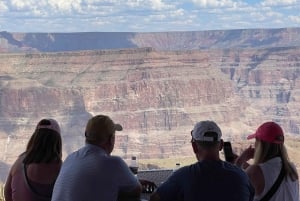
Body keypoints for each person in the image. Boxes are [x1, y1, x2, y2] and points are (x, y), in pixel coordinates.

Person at [150, 120, 254, 201]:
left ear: (194, 147)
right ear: (221, 145)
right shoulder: (242, 177)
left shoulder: (183, 176)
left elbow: (154, 199)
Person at [51, 114, 143, 201]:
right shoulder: (113, 163)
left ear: (86, 136)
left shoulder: (70, 159)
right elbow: (137, 190)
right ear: (111, 140)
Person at [235, 121, 299, 201]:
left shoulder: (254, 172)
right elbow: (271, 174)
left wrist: (239, 162)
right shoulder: (292, 169)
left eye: (256, 141)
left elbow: (233, 192)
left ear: (260, 144)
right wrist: (246, 166)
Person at [4, 118, 62, 201]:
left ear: (35, 138)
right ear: (57, 141)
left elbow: (7, 193)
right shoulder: (60, 168)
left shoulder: (19, 162)